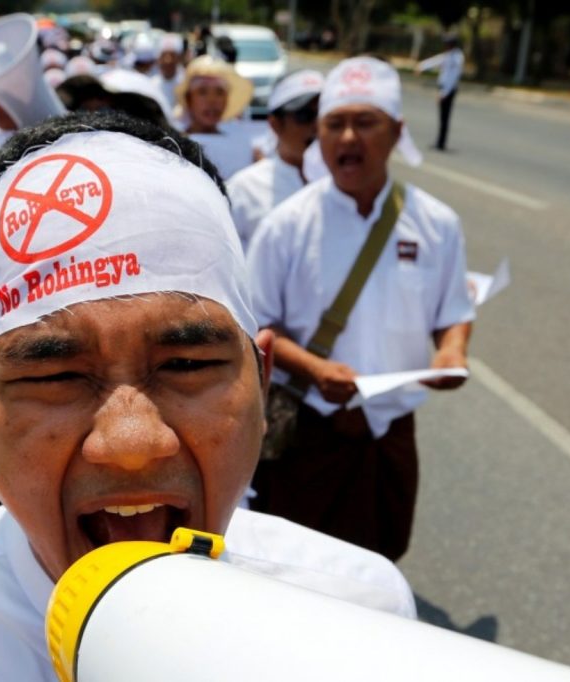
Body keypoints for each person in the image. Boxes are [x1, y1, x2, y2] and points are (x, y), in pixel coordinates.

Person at [0, 110, 417, 680]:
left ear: (260, 378)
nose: (131, 446)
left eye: (187, 363)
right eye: (54, 377)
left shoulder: (359, 614)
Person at [245, 57, 475, 561]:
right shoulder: (287, 225)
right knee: (302, 572)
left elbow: (453, 310)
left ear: (396, 132)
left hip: (390, 433)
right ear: (319, 138)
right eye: (334, 125)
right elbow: (256, 325)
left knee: (383, 558)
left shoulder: (437, 223)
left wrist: (452, 352)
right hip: (310, 430)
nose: (348, 138)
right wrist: (314, 368)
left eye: (365, 123)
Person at [226, 69, 324, 251]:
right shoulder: (245, 189)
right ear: (275, 124)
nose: (317, 125)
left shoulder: (349, 186)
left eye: (324, 114)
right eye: (305, 116)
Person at [174, 55, 256, 180]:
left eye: (219, 92)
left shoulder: (242, 143)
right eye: (202, 92)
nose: (212, 101)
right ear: (188, 99)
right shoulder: (172, 145)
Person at [416, 34, 464, 151]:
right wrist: (422, 66)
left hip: (448, 90)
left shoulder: (457, 58)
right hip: (444, 89)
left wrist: (443, 93)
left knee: (445, 118)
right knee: (442, 118)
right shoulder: (449, 55)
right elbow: (437, 61)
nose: (445, 46)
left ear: (451, 45)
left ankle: (441, 143)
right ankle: (439, 142)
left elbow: (453, 77)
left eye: (447, 44)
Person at [151, 33, 184, 112]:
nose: (168, 60)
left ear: (179, 57)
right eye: (164, 55)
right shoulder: (151, 85)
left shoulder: (187, 83)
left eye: (172, 55)